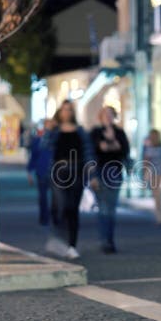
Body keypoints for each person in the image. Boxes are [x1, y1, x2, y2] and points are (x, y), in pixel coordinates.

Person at [43, 100, 95, 260]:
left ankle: (72, 245)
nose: (67, 113)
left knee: (73, 209)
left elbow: (88, 153)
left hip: (77, 171)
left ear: (73, 112)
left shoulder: (80, 132)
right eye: (64, 110)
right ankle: (60, 241)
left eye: (69, 110)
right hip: (59, 172)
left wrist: (92, 174)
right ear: (60, 112)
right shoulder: (55, 131)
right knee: (61, 207)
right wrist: (48, 131)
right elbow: (43, 146)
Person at [90, 106, 130, 254]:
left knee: (111, 209)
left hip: (115, 172)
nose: (107, 117)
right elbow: (97, 149)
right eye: (105, 114)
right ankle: (104, 239)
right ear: (100, 116)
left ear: (114, 116)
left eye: (110, 114)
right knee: (103, 208)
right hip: (98, 171)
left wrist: (111, 143)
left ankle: (109, 239)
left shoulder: (120, 132)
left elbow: (124, 150)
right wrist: (112, 146)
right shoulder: (95, 132)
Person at [27, 119, 56, 227]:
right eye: (47, 125)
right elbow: (33, 157)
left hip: (55, 172)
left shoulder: (55, 139)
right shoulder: (38, 140)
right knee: (43, 196)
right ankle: (44, 217)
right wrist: (29, 172)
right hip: (42, 171)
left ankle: (53, 216)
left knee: (55, 197)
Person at [141, 129, 161, 225]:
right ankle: (159, 215)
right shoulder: (148, 148)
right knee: (156, 195)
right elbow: (145, 162)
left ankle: (160, 215)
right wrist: (144, 172)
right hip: (153, 174)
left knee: (159, 194)